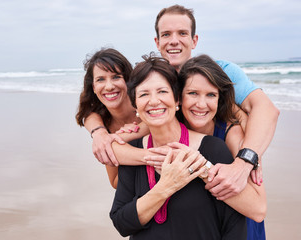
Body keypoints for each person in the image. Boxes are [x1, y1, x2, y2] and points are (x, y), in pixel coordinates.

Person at [87, 4, 279, 201]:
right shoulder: (152, 80)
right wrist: (99, 132)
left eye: (182, 33)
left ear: (194, 40)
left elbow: (266, 109)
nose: (174, 41)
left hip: (229, 173)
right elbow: (93, 111)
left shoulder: (218, 72)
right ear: (157, 41)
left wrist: (246, 160)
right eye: (167, 34)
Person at [110, 55, 266, 240]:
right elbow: (121, 223)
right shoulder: (132, 151)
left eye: (162, 91)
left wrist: (204, 167)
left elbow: (235, 226)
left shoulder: (215, 148)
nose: (153, 101)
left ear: (176, 100)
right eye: (144, 94)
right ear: (135, 105)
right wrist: (166, 187)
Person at [76, 48, 146, 188]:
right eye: (100, 79)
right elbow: (115, 182)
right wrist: (100, 133)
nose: (109, 86)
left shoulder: (146, 106)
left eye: (116, 77)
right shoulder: (104, 124)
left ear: (128, 80)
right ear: (94, 87)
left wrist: (124, 138)